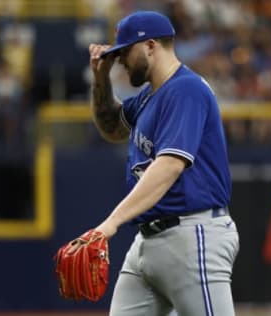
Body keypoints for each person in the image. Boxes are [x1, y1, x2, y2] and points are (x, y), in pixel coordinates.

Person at [85, 10, 240, 316]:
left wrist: (110, 223)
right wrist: (101, 79)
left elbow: (169, 166)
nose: (121, 61)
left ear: (150, 46)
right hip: (148, 241)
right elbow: (111, 127)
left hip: (193, 236)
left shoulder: (185, 90)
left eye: (125, 51)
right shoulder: (148, 97)